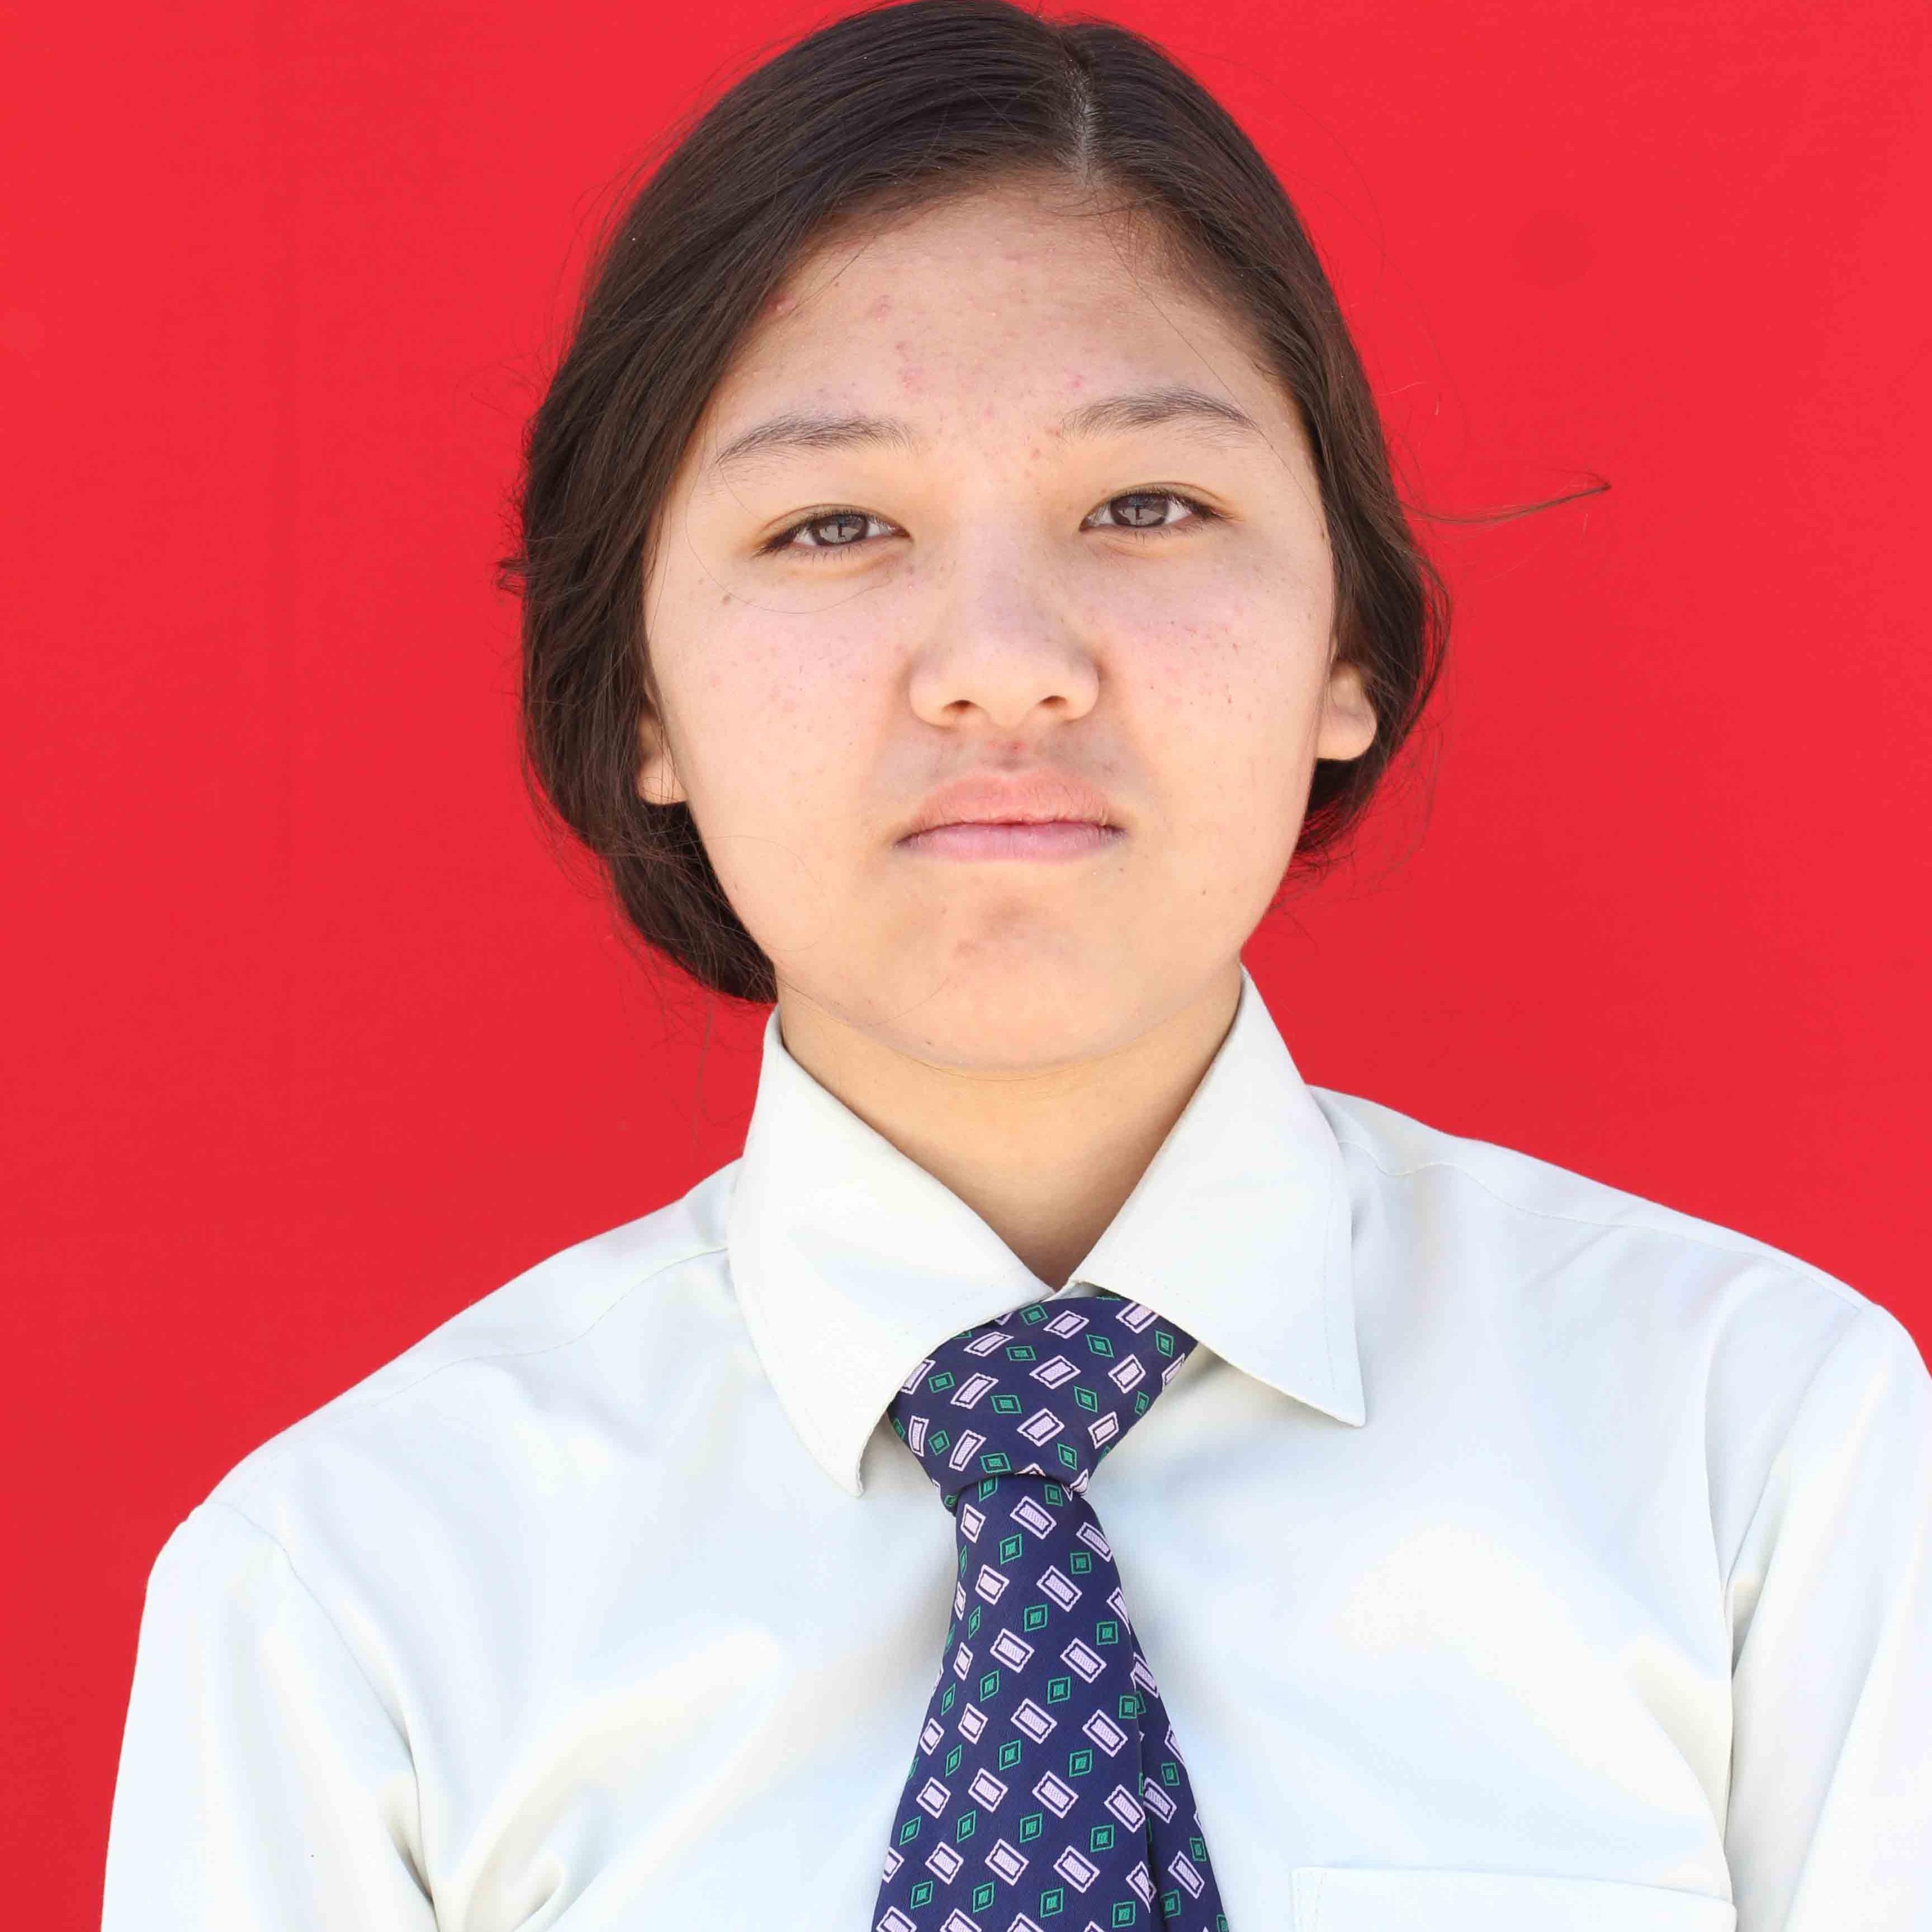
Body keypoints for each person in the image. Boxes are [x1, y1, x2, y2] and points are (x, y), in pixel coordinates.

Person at [101, 2, 1930, 1928]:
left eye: (1148, 507)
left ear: (1347, 646)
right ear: (638, 692)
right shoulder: (356, 1604)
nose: (1003, 664)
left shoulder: (1765, 1458)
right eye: (832, 524)